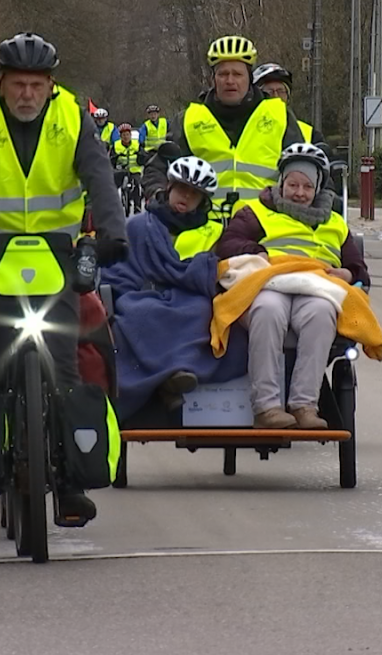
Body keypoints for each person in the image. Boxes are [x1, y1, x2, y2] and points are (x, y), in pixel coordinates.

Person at [0, 32, 129, 525]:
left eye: (37, 84)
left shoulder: (71, 116)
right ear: (1, 84)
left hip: (56, 258)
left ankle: (71, 482)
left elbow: (99, 178)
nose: (27, 95)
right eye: (18, 85)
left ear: (51, 85)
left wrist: (113, 234)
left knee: (66, 361)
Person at [214, 143, 370, 430]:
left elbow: (358, 268)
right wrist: (255, 250)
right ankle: (267, 407)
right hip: (268, 284)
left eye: (307, 187)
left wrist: (346, 274)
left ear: (318, 189)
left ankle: (304, 405)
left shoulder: (335, 223)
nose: (299, 193)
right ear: (281, 182)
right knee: (269, 310)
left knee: (323, 314)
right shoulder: (256, 212)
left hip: (317, 289)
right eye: (293, 184)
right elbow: (227, 243)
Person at [102, 157, 247, 417]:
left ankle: (173, 378)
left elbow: (218, 273)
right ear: (169, 187)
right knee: (140, 312)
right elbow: (119, 272)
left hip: (193, 297)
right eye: (182, 189)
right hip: (143, 295)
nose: (186, 197)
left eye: (194, 194)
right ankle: (172, 378)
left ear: (203, 200)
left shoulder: (215, 232)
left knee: (203, 311)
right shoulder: (137, 225)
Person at [141, 35, 304, 218]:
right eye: (223, 74)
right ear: (213, 79)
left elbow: (305, 168)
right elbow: (158, 167)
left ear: (249, 79)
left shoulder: (279, 115)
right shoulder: (190, 119)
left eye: (237, 74)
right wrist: (160, 195)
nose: (230, 81)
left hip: (266, 226)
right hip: (204, 227)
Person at [252, 62, 325, 144]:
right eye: (269, 91)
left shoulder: (309, 134)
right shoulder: (246, 130)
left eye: (281, 91)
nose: (276, 96)